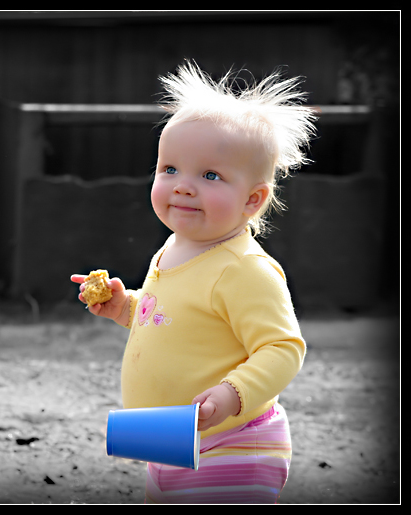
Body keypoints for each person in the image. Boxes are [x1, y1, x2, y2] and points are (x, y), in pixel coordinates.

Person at [71, 60, 317, 504]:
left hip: (232, 446)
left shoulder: (244, 269)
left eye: (209, 176)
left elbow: (282, 348)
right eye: (169, 170)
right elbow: (176, 319)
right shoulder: (172, 247)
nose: (182, 186)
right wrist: (127, 307)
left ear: (253, 199)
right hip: (167, 441)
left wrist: (233, 394)